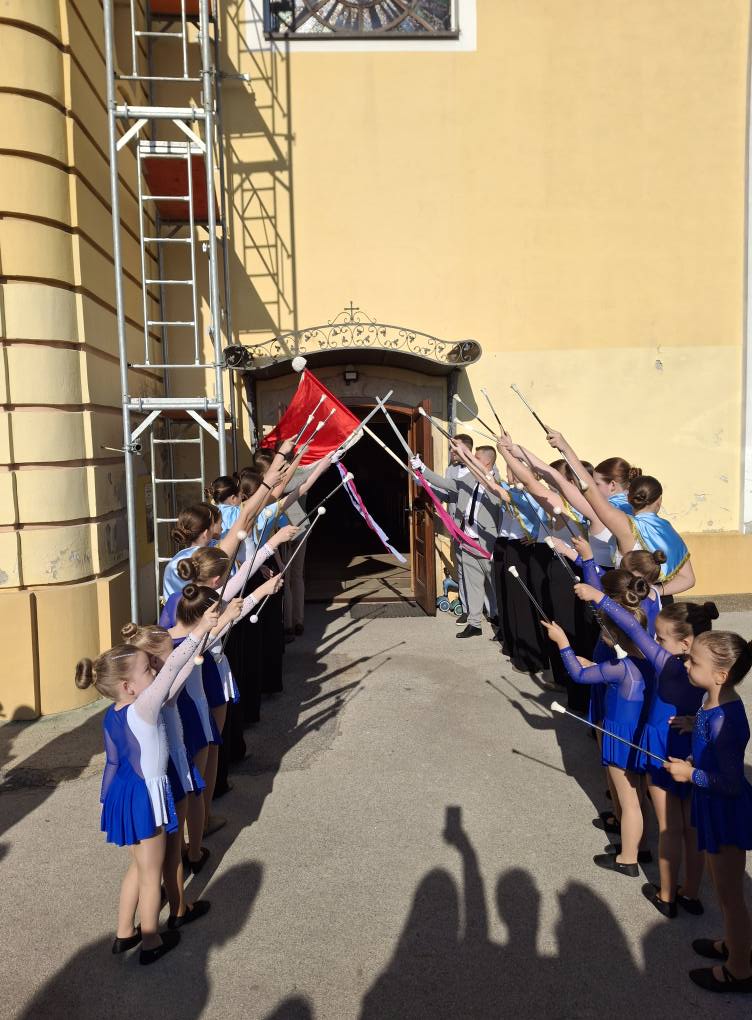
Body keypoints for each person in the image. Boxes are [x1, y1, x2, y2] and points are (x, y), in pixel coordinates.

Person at [74, 604, 218, 964]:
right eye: (147, 669)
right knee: (152, 874)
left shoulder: (113, 714)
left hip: (125, 792)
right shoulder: (145, 708)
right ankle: (151, 941)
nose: (154, 670)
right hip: (145, 796)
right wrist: (200, 630)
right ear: (129, 687)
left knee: (139, 868)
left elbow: (113, 761)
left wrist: (107, 801)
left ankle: (125, 932)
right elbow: (173, 667)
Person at [578, 585, 716, 917]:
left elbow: (632, 628)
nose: (655, 642)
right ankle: (691, 892)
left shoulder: (667, 664)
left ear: (684, 643)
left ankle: (666, 895)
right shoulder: (705, 670)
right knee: (691, 827)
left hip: (661, 747)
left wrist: (599, 597)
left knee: (669, 826)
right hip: (691, 746)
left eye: (661, 638)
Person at [541, 576, 651, 876]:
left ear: (614, 636)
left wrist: (563, 643)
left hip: (619, 736)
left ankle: (628, 858)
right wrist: (593, 665)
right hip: (637, 733)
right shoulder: (643, 660)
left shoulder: (619, 667)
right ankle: (638, 845)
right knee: (636, 795)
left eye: (604, 629)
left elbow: (578, 675)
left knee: (628, 800)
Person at [664, 631, 752, 994]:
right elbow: (707, 745)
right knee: (722, 889)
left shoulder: (727, 720)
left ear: (721, 675)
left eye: (693, 661)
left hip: (726, 813)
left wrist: (691, 775)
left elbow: (730, 783)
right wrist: (692, 743)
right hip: (712, 805)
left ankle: (739, 969)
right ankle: (733, 944)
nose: (686, 664)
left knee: (730, 897)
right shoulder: (710, 701)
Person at [544, 430, 696, 597]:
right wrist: (657, 591)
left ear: (628, 496)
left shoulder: (624, 524)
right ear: (659, 500)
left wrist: (565, 447)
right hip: (660, 602)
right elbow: (688, 579)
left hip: (629, 600)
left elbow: (588, 490)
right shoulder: (667, 529)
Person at [417, 445, 501, 639]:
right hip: (468, 541)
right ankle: (474, 623)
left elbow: (488, 484)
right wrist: (422, 469)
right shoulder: (469, 479)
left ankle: (502, 623)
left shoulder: (495, 482)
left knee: (495, 586)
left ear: (487, 462)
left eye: (476, 457)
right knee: (473, 585)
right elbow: (446, 483)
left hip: (486, 544)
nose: (472, 460)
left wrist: (464, 454)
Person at [446, 434, 475, 624]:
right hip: (458, 527)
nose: (451, 451)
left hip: (476, 529)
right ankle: (466, 609)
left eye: (454, 447)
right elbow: (447, 493)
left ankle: (491, 610)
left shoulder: (481, 467)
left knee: (480, 571)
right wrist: (426, 483)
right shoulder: (451, 469)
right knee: (463, 569)